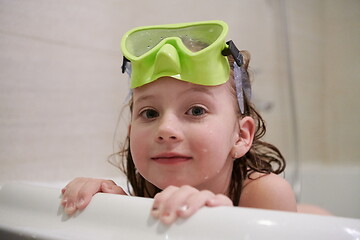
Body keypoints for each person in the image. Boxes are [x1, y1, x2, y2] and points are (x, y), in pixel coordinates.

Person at [61, 20, 298, 224]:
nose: (165, 130)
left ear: (241, 136)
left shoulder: (265, 194)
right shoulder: (146, 193)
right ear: (131, 132)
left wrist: (223, 225)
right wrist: (120, 213)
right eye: (150, 113)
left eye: (196, 110)